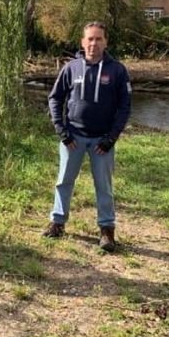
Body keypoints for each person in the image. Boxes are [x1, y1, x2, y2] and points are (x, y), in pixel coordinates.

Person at [42, 21, 132, 252]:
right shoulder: (71, 68)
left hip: (102, 141)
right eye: (90, 39)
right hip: (73, 137)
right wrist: (61, 130)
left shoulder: (117, 70)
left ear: (106, 42)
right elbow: (55, 99)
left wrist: (111, 138)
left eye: (98, 38)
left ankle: (106, 230)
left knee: (104, 186)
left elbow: (124, 106)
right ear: (82, 42)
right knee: (63, 181)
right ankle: (58, 222)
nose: (94, 43)